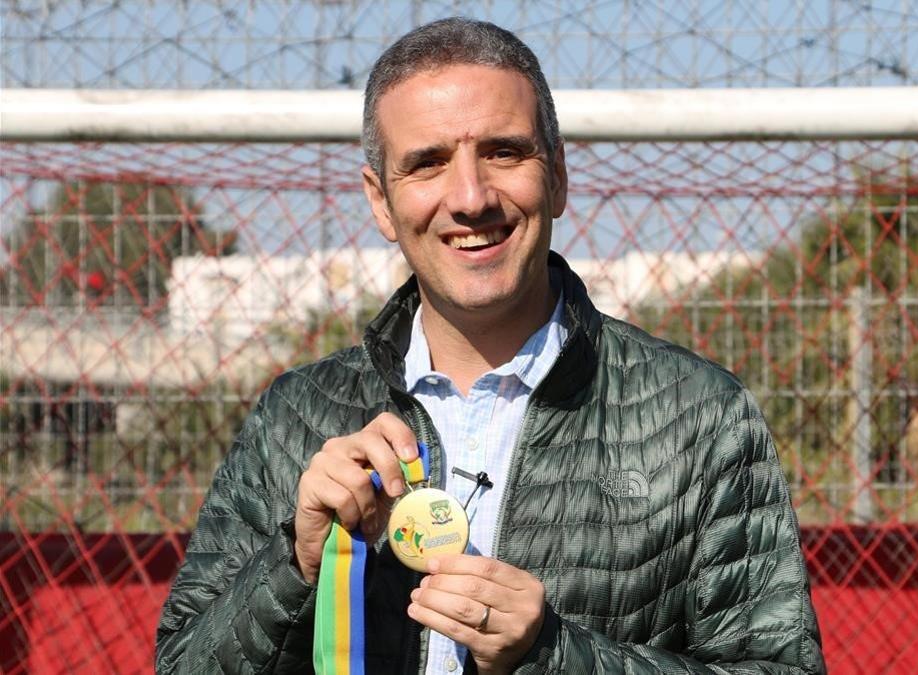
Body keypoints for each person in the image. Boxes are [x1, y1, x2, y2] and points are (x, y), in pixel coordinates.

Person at [156, 17, 825, 674]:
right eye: (427, 163)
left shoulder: (702, 416)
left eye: (504, 152)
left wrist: (555, 655)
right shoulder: (296, 416)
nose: (471, 197)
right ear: (381, 202)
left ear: (557, 176)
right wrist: (295, 563)